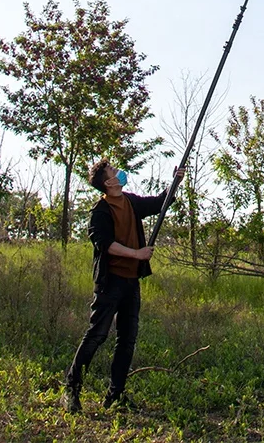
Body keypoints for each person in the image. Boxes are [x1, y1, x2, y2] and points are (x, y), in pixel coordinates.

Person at [62, 159, 183, 413]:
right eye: (115, 172)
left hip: (131, 283)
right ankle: (72, 389)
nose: (120, 173)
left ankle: (115, 395)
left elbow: (158, 203)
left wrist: (176, 182)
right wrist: (137, 254)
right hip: (111, 282)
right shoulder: (100, 212)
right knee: (97, 335)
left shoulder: (130, 201)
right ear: (108, 183)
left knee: (127, 340)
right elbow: (105, 244)